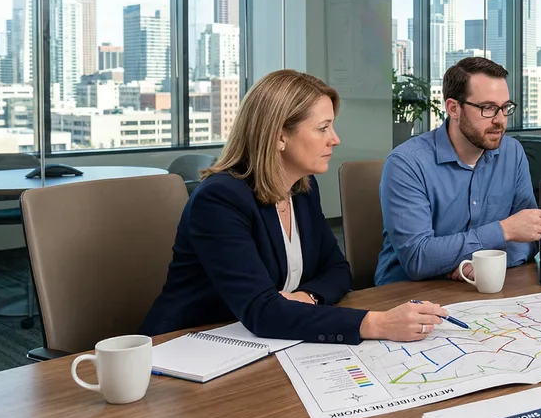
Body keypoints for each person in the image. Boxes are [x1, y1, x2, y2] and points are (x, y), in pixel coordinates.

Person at [141, 70, 449, 344]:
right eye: (323, 128)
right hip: (187, 346)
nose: (335, 139)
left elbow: (339, 271)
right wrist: (378, 323)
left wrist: (307, 296)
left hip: (263, 343)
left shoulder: (302, 188)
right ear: (279, 136)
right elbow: (262, 312)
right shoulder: (220, 200)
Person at [375, 57, 541, 285]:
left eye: (505, 108)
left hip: (485, 287)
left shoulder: (512, 152)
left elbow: (530, 235)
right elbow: (418, 258)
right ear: (454, 108)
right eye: (488, 108)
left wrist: (483, 264)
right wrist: (502, 231)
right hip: (408, 297)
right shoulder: (406, 164)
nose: (500, 120)